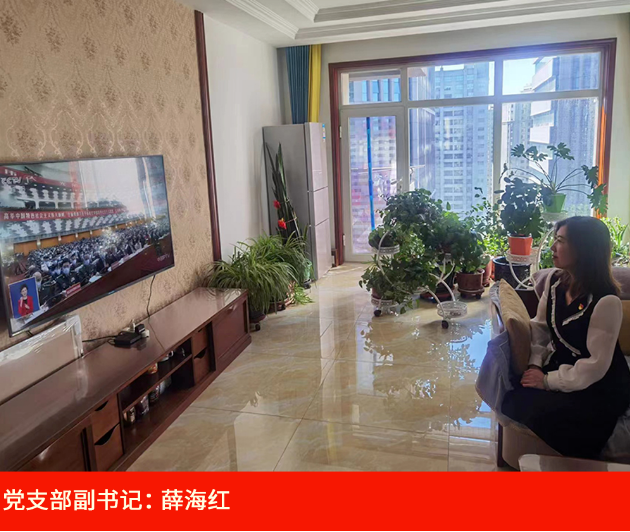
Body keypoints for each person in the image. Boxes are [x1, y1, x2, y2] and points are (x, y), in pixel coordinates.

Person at [502, 216, 630, 459]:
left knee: (554, 418)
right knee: (514, 396)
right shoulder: (554, 282)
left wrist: (547, 381)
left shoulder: (606, 302)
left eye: (560, 241)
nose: (552, 247)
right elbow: (540, 328)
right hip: (565, 366)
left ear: (583, 249)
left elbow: (594, 366)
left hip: (599, 385)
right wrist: (534, 365)